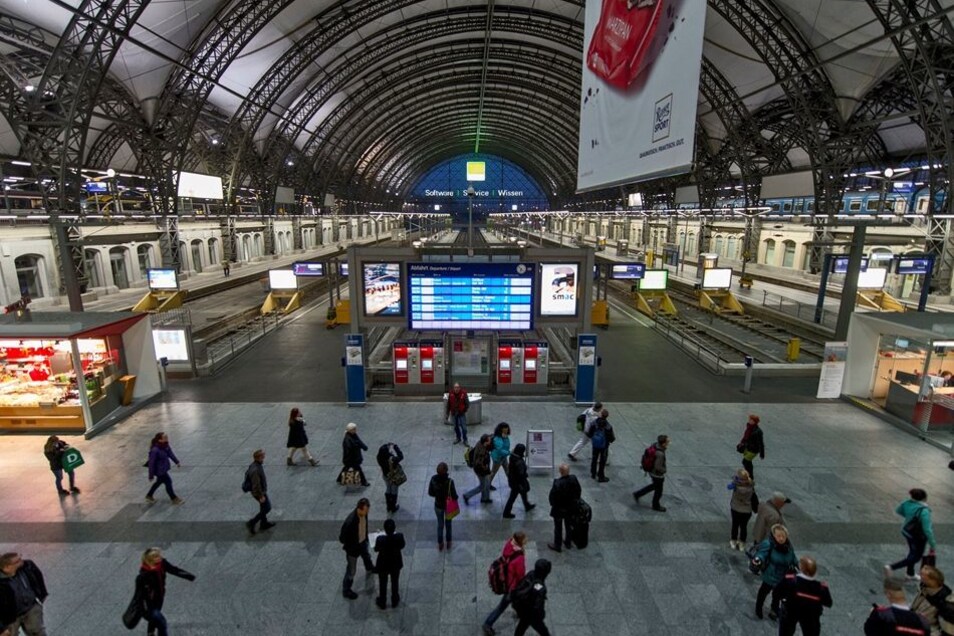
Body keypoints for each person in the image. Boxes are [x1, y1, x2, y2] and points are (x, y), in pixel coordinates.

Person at [135, 547, 195, 636]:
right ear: (150, 560)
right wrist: (146, 609)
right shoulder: (143, 576)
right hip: (148, 604)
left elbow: (174, 570)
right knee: (161, 622)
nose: (159, 558)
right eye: (156, 557)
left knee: (156, 619)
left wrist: (189, 576)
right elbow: (140, 595)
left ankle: (150, 633)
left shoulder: (162, 564)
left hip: (159, 597)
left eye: (159, 555)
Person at [885, 488, 937, 581]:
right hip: (918, 536)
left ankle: (910, 573)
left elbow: (898, 510)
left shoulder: (907, 503)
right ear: (924, 498)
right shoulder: (924, 511)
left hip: (907, 531)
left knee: (912, 552)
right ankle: (891, 567)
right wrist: (932, 545)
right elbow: (927, 530)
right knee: (916, 557)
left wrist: (910, 516)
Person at [482, 531, 528, 636]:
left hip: (507, 580)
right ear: (520, 541)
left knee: (517, 600)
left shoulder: (509, 544)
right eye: (525, 540)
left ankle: (519, 612)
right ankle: (488, 623)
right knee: (502, 606)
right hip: (512, 586)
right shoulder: (519, 558)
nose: (526, 542)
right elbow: (520, 575)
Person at [776, 555, 833, 636]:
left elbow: (778, 591)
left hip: (791, 611)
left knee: (786, 631)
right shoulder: (821, 587)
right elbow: (828, 602)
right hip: (811, 615)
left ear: (802, 569)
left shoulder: (790, 580)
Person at [754, 524, 798, 620]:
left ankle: (774, 610)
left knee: (777, 595)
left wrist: (798, 565)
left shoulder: (789, 547)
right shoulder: (769, 544)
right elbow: (762, 553)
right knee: (763, 592)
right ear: (774, 536)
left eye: (783, 536)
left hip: (782, 576)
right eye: (779, 536)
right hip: (770, 574)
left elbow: (793, 558)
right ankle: (758, 608)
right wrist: (758, 559)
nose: (781, 538)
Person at [0, 553, 47, 636]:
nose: (22, 561)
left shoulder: (27, 566)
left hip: (31, 609)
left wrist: (42, 595)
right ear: (7, 567)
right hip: (10, 618)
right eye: (17, 561)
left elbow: (38, 577)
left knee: (38, 632)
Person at [865, 577, 931, 635]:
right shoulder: (923, 622)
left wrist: (872, 614)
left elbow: (869, 631)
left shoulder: (881, 614)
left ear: (888, 595)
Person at [339, 498, 375, 600]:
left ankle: (369, 567)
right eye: (366, 510)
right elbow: (342, 538)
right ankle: (346, 590)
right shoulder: (350, 522)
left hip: (362, 542)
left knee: (366, 555)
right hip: (353, 549)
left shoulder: (364, 514)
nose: (367, 512)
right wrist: (351, 545)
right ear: (359, 509)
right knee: (351, 570)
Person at [911, 565, 954, 635]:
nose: (920, 576)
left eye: (923, 576)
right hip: (916, 620)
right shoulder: (925, 587)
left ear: (932, 580)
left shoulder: (946, 601)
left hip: (929, 629)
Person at [513, 558, 552, 636]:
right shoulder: (540, 587)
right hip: (532, 614)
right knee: (542, 630)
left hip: (523, 609)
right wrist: (541, 614)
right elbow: (537, 606)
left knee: (521, 627)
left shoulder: (531, 574)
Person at [548, 463, 581, 553]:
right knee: (569, 525)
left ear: (560, 472)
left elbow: (552, 497)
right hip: (570, 508)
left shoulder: (557, 483)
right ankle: (568, 542)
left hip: (559, 509)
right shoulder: (573, 478)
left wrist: (553, 504)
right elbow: (578, 491)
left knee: (558, 527)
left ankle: (557, 545)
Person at [373, 518, 405, 609]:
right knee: (395, 582)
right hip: (395, 563)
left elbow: (376, 549)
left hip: (383, 564)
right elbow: (402, 545)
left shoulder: (380, 539)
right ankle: (395, 600)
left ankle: (382, 601)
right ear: (395, 528)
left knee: (383, 583)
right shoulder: (399, 537)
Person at [633, 434, 669, 512]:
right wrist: (664, 470)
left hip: (651, 471)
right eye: (667, 441)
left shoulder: (655, 446)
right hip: (657, 474)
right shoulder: (660, 454)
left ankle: (638, 494)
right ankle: (655, 505)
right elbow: (657, 466)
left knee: (654, 486)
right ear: (663, 443)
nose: (669, 443)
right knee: (659, 491)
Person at [145, 432, 183, 505]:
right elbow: (151, 463)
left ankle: (149, 495)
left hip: (164, 468)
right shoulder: (155, 450)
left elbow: (170, 454)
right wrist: (151, 475)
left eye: (167, 437)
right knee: (168, 482)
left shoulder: (165, 445)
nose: (167, 439)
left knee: (159, 482)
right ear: (160, 440)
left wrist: (176, 461)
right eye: (165, 438)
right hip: (159, 471)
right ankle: (174, 498)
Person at [428, 462, 458, 551]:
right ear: (446, 471)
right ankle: (448, 542)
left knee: (440, 524)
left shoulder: (433, 479)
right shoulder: (450, 482)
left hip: (438, 505)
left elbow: (431, 493)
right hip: (448, 506)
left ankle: (440, 543)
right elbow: (454, 496)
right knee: (448, 524)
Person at [245, 449, 275, 534]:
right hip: (259, 492)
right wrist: (261, 496)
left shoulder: (255, 465)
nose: (264, 458)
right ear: (258, 458)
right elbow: (256, 485)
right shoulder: (255, 470)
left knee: (263, 507)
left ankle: (264, 523)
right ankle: (252, 522)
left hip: (260, 491)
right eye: (262, 457)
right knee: (267, 508)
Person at [503, 444, 536, 519]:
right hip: (517, 483)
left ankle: (527, 505)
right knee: (513, 497)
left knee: (523, 493)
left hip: (512, 480)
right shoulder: (519, 462)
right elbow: (520, 475)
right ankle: (506, 512)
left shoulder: (513, 457)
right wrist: (524, 478)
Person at [727, 468, 756, 551]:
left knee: (735, 525)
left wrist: (735, 480)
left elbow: (729, 487)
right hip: (747, 510)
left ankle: (733, 540)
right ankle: (742, 543)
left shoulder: (736, 486)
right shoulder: (751, 485)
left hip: (736, 508)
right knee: (744, 527)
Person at [463, 434, 493, 505]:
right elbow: (479, 463)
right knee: (482, 486)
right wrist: (485, 468)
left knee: (487, 483)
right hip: (481, 471)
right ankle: (467, 495)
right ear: (486, 442)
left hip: (480, 469)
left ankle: (485, 498)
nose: (491, 441)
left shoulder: (480, 442)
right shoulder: (481, 452)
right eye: (489, 440)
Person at [377, 442, 405, 514]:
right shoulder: (392, 459)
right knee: (394, 490)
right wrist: (396, 447)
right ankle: (393, 507)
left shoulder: (379, 457)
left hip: (385, 475)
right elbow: (401, 456)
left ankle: (388, 506)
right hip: (393, 476)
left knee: (388, 488)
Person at [588, 409, 615, 482]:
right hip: (604, 446)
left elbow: (590, 433)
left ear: (601, 414)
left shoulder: (594, 423)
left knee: (594, 458)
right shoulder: (608, 426)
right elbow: (612, 438)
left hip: (595, 444)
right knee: (602, 461)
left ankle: (593, 473)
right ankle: (601, 476)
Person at [340, 422, 370, 487]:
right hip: (352, 459)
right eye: (354, 429)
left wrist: (364, 447)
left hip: (353, 458)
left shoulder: (353, 435)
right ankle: (363, 482)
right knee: (358, 469)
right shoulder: (347, 440)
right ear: (351, 430)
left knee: (346, 468)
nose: (356, 430)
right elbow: (349, 450)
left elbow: (359, 441)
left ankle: (339, 479)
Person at [737, 414, 765, 479]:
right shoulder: (749, 427)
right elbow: (745, 437)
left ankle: (750, 476)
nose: (749, 421)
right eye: (749, 419)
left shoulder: (758, 431)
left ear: (755, 422)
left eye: (751, 420)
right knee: (747, 462)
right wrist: (741, 443)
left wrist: (762, 453)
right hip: (748, 447)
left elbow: (761, 443)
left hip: (754, 449)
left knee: (745, 461)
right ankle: (748, 475)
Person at [488, 422, 511, 489]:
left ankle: (511, 483)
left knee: (507, 470)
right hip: (498, 458)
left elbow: (505, 446)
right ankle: (487, 485)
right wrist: (509, 452)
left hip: (503, 457)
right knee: (493, 472)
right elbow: (500, 450)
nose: (506, 431)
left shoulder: (504, 436)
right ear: (500, 429)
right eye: (504, 430)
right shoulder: (497, 438)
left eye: (507, 429)